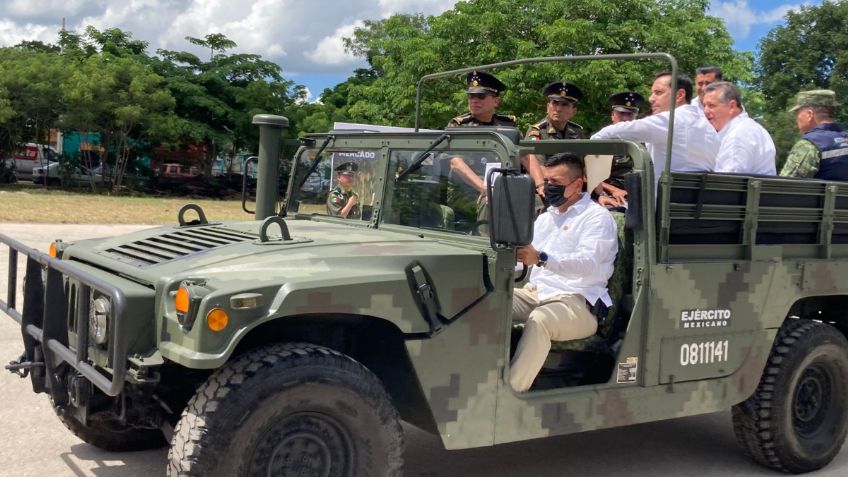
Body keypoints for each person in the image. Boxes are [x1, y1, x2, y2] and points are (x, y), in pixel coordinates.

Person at [510, 152, 618, 392]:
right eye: (546, 181)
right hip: (536, 294)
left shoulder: (596, 218)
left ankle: (510, 394)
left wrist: (542, 259)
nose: (548, 188)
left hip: (578, 303)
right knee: (485, 301)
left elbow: (588, 263)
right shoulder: (546, 218)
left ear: (577, 184)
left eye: (556, 183)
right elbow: (523, 262)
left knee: (540, 321)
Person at [590, 72, 720, 190]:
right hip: (697, 210)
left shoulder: (671, 120)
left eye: (658, 92)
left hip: (659, 211)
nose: (651, 98)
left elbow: (605, 135)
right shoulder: (710, 130)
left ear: (679, 95)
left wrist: (592, 145)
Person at [702, 81, 776, 175]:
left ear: (732, 106)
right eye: (704, 106)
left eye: (711, 105)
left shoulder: (738, 135)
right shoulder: (747, 128)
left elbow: (728, 182)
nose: (705, 111)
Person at [780, 90, 848, 179]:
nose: (796, 119)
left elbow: (785, 186)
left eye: (797, 113)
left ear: (809, 114)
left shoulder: (808, 145)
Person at [595, 91, 646, 208]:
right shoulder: (602, 141)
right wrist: (613, 190)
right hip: (608, 196)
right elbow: (588, 176)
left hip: (639, 196)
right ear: (612, 115)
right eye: (621, 114)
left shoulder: (644, 142)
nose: (625, 119)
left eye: (630, 114)